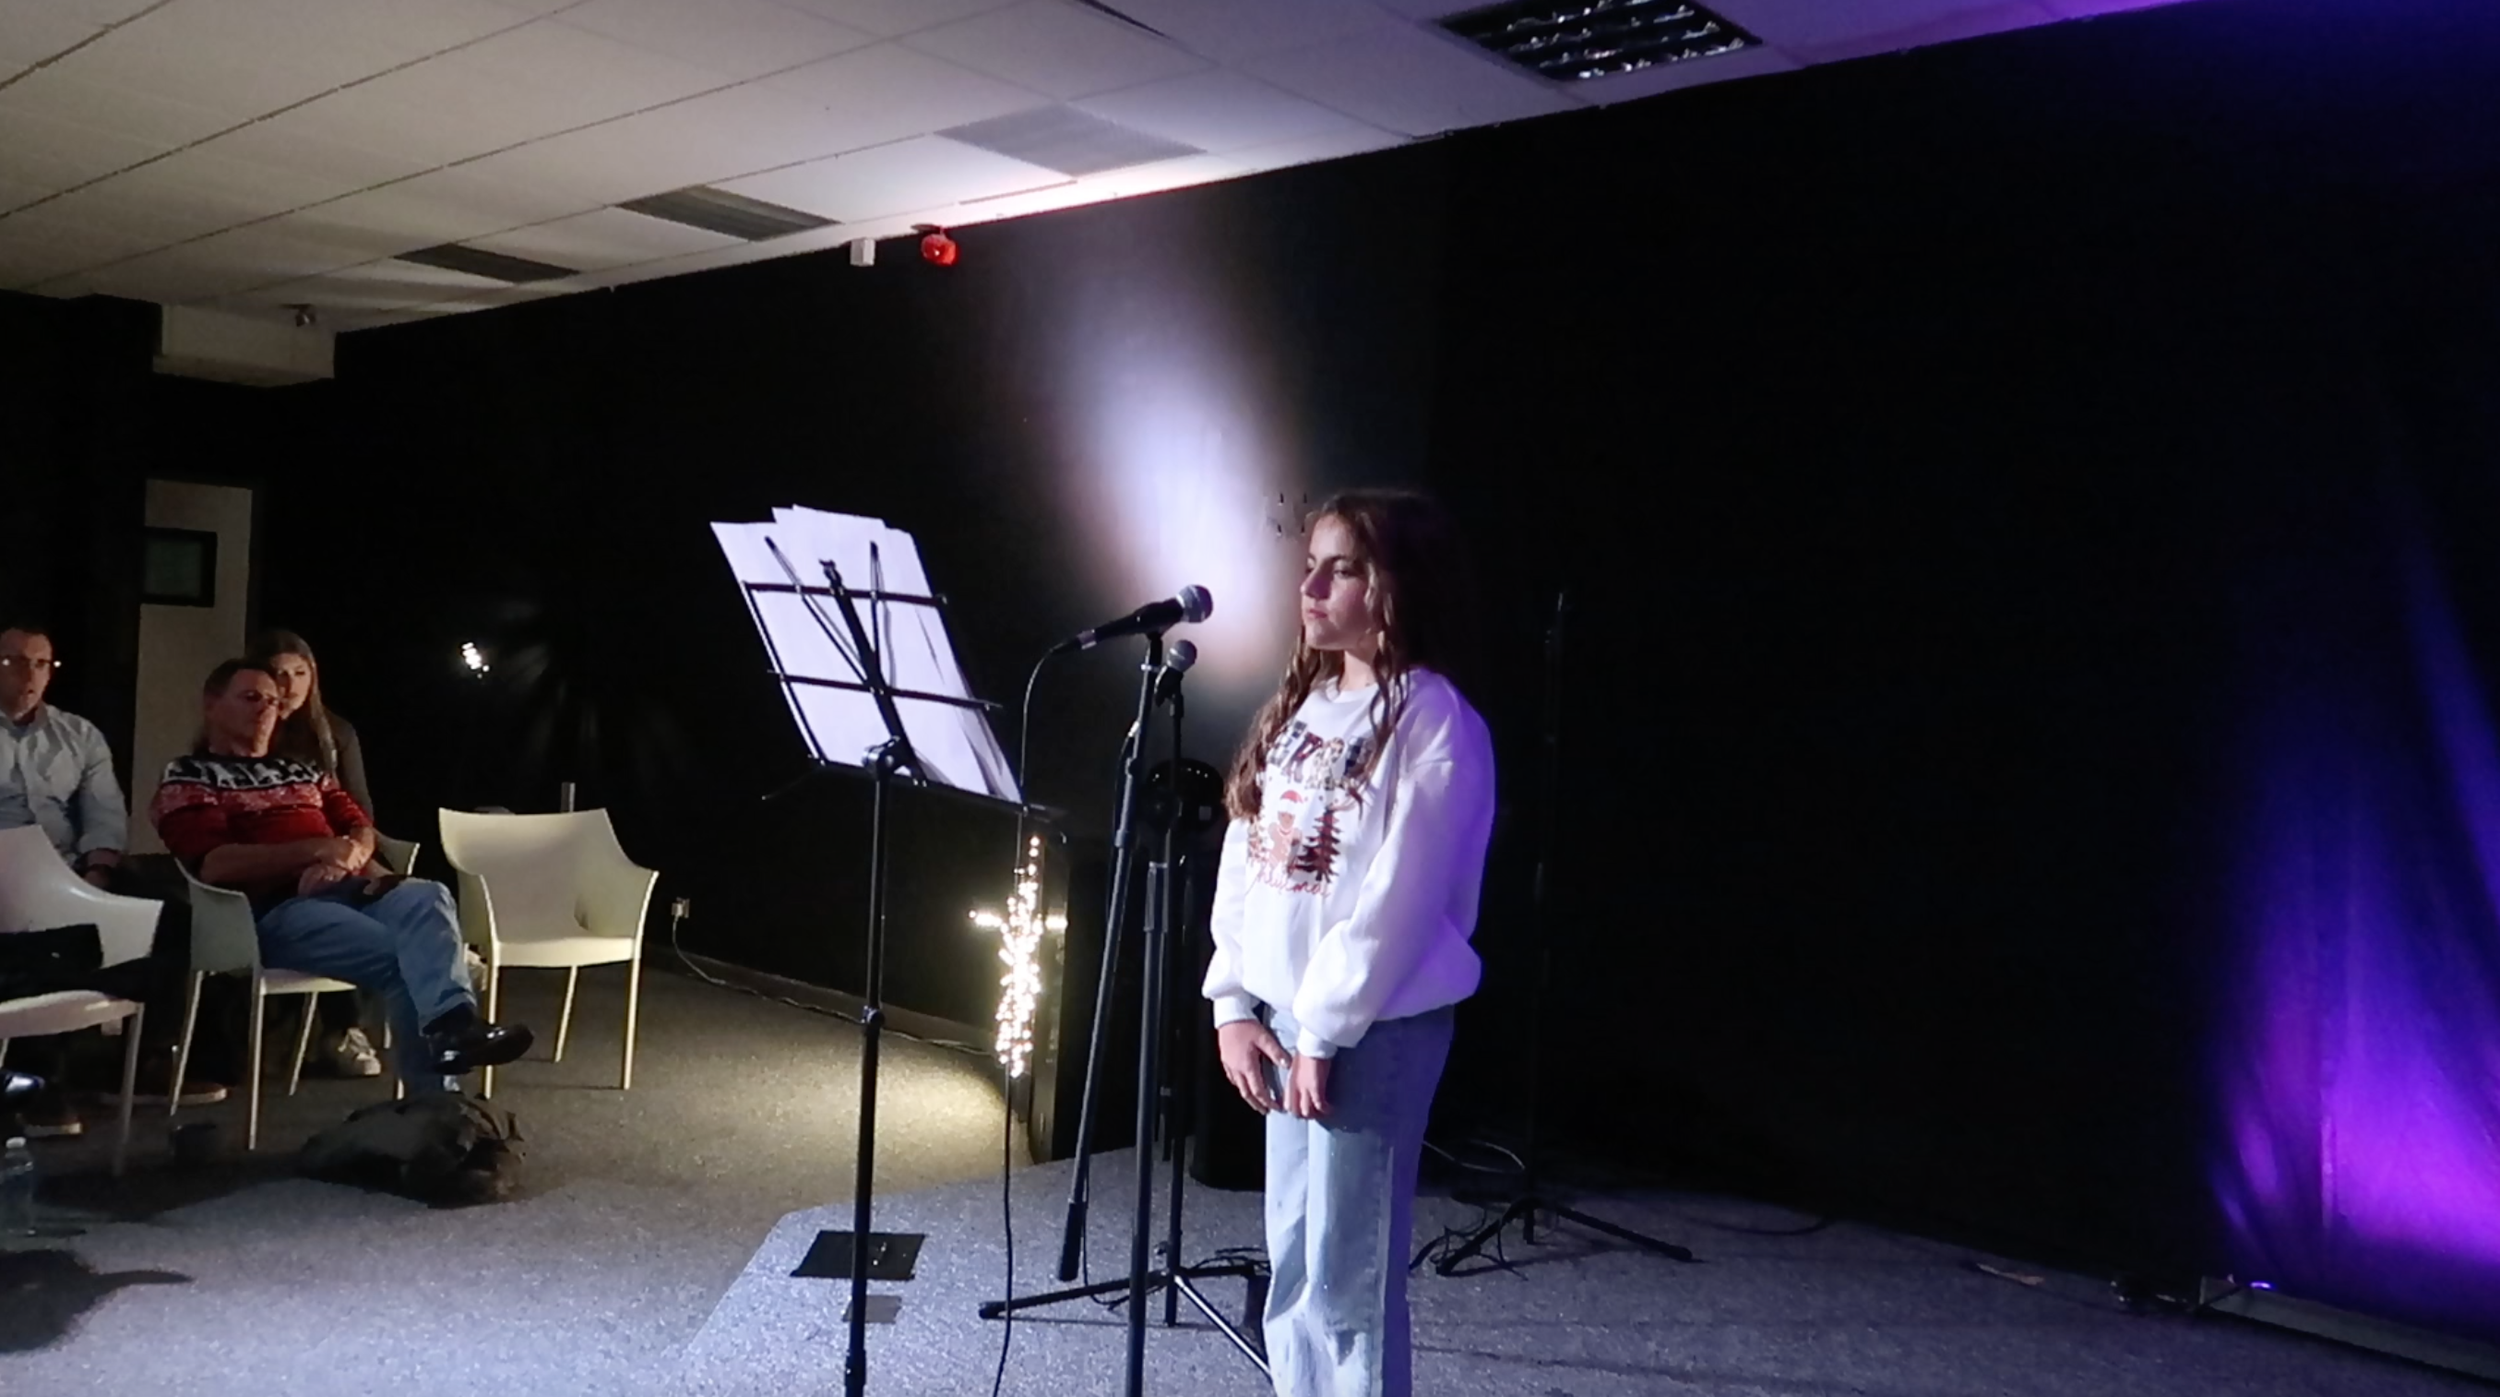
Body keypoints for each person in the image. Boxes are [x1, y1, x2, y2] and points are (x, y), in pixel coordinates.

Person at [1202, 490, 1497, 1397]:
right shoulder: (1307, 707)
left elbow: (1398, 900)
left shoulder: (1432, 718)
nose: (1313, 583)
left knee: (1347, 1281)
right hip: (1291, 1021)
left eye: (1345, 567)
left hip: (1371, 1032)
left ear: (1395, 586)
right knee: (1292, 1265)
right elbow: (1247, 861)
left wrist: (1323, 1031)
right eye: (1311, 564)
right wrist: (1234, 1001)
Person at [149, 659, 532, 1094]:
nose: (265, 710)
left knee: (429, 894)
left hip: (349, 885)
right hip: (271, 912)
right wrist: (313, 850)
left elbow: (359, 826)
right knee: (407, 960)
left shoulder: (302, 769)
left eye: (273, 702)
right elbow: (215, 864)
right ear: (212, 705)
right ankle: (437, 1105)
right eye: (250, 698)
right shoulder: (189, 776)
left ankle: (455, 1027)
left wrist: (343, 857)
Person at [0, 621, 222, 1137]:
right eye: (13, 661)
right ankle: (38, 1080)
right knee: (44, 937)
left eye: (40, 664)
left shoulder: (77, 734)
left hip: (66, 870)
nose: (28, 674)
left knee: (170, 917)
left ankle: (142, 1063)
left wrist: (97, 869)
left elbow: (104, 811)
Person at [252, 630, 381, 1079]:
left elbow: (358, 809)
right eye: (277, 674)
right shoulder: (250, 732)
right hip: (286, 857)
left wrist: (351, 849)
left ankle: (429, 941)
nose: (288, 686)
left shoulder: (334, 733)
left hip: (338, 850)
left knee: (373, 880)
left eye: (299, 674)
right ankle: (343, 1027)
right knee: (335, 893)